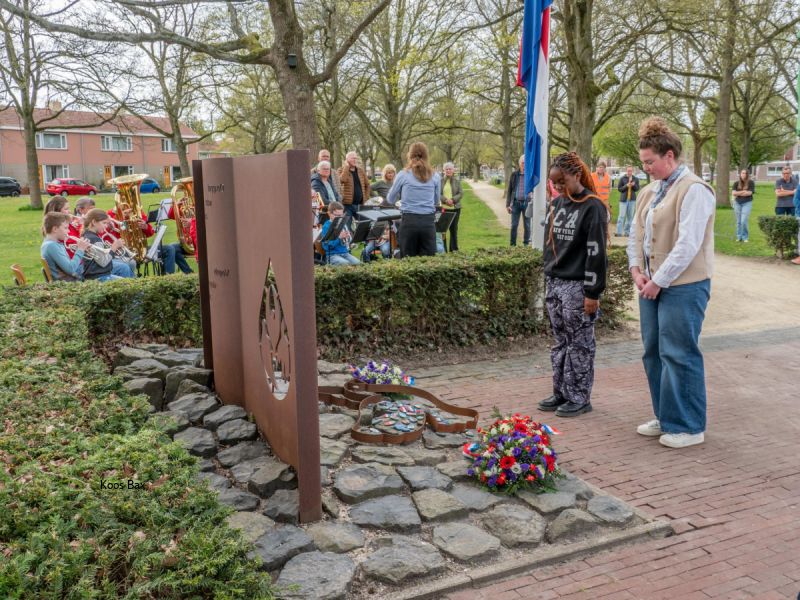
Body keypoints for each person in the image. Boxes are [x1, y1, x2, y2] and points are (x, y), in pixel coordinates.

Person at [628, 117, 715, 449]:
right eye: (643, 162)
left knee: (679, 353)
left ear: (669, 156)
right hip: (651, 283)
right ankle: (665, 416)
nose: (646, 168)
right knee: (653, 352)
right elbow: (636, 234)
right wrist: (636, 270)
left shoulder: (695, 190)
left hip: (685, 285)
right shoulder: (649, 192)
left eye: (650, 161)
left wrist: (658, 281)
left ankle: (689, 426)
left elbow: (688, 244)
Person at [536, 152, 608, 418]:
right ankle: (561, 391)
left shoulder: (593, 206)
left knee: (580, 344)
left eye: (562, 181)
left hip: (577, 286)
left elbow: (596, 252)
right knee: (560, 342)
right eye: (554, 183)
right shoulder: (557, 203)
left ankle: (579, 396)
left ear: (577, 175)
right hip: (555, 282)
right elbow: (549, 245)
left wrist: (592, 292)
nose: (558, 187)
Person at [387, 142, 440, 257]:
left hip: (409, 222)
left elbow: (390, 199)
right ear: (426, 156)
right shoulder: (435, 176)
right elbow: (436, 201)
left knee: (408, 261)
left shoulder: (403, 174)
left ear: (410, 156)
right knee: (429, 261)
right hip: (428, 222)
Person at [82, 209, 134, 281]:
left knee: (124, 268)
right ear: (94, 222)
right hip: (99, 276)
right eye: (104, 223)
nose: (106, 226)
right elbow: (104, 262)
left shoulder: (89, 235)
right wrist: (114, 247)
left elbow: (100, 256)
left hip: (100, 273)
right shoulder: (93, 239)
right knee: (127, 282)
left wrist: (108, 248)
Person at [41, 212, 89, 282]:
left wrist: (81, 249)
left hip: (69, 280)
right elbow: (71, 269)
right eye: (66, 228)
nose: (68, 231)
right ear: (55, 229)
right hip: (69, 283)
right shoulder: (51, 246)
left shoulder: (51, 243)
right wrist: (80, 250)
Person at [320, 201, 360, 266]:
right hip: (332, 255)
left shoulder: (342, 224)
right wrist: (339, 238)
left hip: (345, 253)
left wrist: (348, 237)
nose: (340, 217)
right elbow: (327, 246)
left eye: (341, 215)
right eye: (337, 215)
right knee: (345, 264)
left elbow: (348, 242)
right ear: (329, 214)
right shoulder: (326, 226)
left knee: (358, 263)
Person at [505, 155, 531, 246]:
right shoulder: (514, 175)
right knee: (514, 225)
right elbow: (509, 190)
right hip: (515, 204)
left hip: (527, 203)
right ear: (520, 164)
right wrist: (508, 205)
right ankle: (512, 245)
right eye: (523, 163)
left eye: (526, 163)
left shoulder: (530, 175)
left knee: (527, 225)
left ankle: (526, 244)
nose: (524, 165)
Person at [338, 151, 370, 218]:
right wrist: (346, 167)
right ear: (347, 160)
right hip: (347, 205)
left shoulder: (360, 170)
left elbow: (367, 185)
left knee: (363, 222)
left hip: (360, 205)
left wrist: (366, 197)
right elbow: (342, 180)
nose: (355, 160)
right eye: (353, 158)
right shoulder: (341, 170)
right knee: (347, 223)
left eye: (356, 158)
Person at [440, 162, 463, 251]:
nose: (448, 170)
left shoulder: (457, 181)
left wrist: (453, 200)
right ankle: (443, 250)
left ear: (453, 170)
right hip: (443, 209)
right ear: (444, 170)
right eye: (447, 169)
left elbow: (461, 193)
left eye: (450, 169)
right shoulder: (440, 181)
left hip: (455, 209)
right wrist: (446, 200)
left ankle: (453, 250)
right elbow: (438, 193)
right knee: (443, 230)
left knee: (453, 230)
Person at [311, 160, 341, 226]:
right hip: (324, 215)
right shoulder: (315, 183)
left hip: (335, 212)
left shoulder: (328, 181)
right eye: (324, 169)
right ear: (318, 170)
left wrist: (339, 204)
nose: (327, 170)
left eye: (328, 169)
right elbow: (322, 201)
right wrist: (336, 206)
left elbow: (337, 195)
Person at [615, 166, 640, 237]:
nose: (629, 172)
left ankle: (627, 232)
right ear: (626, 171)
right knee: (621, 216)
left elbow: (637, 189)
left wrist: (633, 185)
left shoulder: (635, 179)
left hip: (632, 200)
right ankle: (619, 232)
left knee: (630, 217)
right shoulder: (622, 178)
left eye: (631, 171)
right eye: (628, 171)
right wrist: (626, 186)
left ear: (632, 171)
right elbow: (619, 189)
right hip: (623, 200)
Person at [732, 169, 755, 243]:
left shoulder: (751, 182)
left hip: (747, 203)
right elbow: (733, 193)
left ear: (747, 175)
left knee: (743, 220)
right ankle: (739, 237)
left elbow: (749, 193)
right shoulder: (736, 183)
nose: (744, 174)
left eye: (745, 173)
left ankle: (745, 237)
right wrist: (744, 191)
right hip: (737, 203)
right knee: (738, 221)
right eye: (742, 173)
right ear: (740, 174)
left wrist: (738, 193)